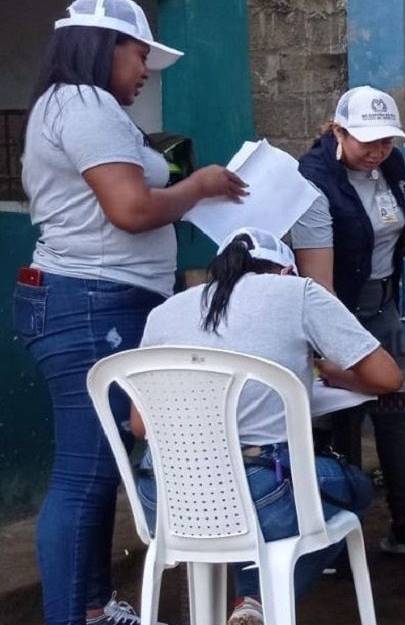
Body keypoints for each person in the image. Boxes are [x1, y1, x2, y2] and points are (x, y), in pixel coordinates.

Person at [13, 2, 246, 623]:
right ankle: (72, 613)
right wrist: (202, 186)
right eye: (140, 54)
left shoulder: (72, 107)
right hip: (90, 301)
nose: (146, 69)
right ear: (103, 45)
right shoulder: (85, 107)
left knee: (96, 467)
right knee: (86, 473)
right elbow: (132, 210)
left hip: (90, 299)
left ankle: (91, 608)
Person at [133, 228, 403, 625]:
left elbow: (141, 425)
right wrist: (330, 372)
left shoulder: (165, 311)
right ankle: (257, 601)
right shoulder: (297, 293)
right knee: (354, 488)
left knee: (270, 496)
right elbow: (387, 377)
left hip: (165, 501)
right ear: (284, 270)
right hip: (263, 495)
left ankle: (251, 604)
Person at [295, 86, 405, 560]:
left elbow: (398, 220)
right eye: (367, 142)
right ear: (339, 130)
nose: (378, 152)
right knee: (339, 418)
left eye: (387, 141)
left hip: (382, 305)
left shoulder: (390, 164)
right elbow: (317, 281)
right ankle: (336, 537)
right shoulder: (313, 178)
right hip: (334, 309)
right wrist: (328, 349)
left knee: (394, 412)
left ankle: (404, 522)